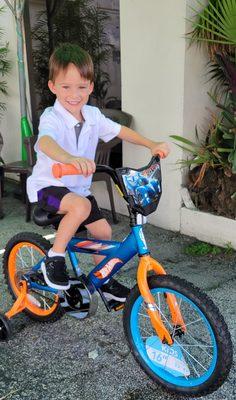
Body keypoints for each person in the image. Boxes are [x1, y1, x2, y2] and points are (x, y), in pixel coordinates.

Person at [27, 43, 170, 306]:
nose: (74, 94)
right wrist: (69, 159)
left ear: (91, 87)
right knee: (80, 207)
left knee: (103, 232)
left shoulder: (92, 115)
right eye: (66, 87)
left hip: (77, 189)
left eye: (81, 87)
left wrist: (151, 144)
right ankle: (54, 258)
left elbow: (121, 132)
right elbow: (46, 142)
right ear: (52, 87)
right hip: (49, 186)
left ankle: (104, 282)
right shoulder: (52, 117)